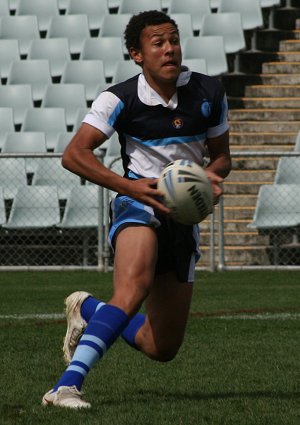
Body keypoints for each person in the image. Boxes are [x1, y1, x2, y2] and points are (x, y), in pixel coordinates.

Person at [42, 10, 231, 409]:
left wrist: (210, 179)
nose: (169, 49)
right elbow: (75, 154)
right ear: (137, 54)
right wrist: (129, 187)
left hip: (182, 218)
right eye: (158, 43)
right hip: (137, 204)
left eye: (174, 40)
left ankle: (87, 308)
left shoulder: (209, 92)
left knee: (161, 347)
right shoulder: (119, 98)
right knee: (133, 287)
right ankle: (66, 386)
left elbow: (222, 158)